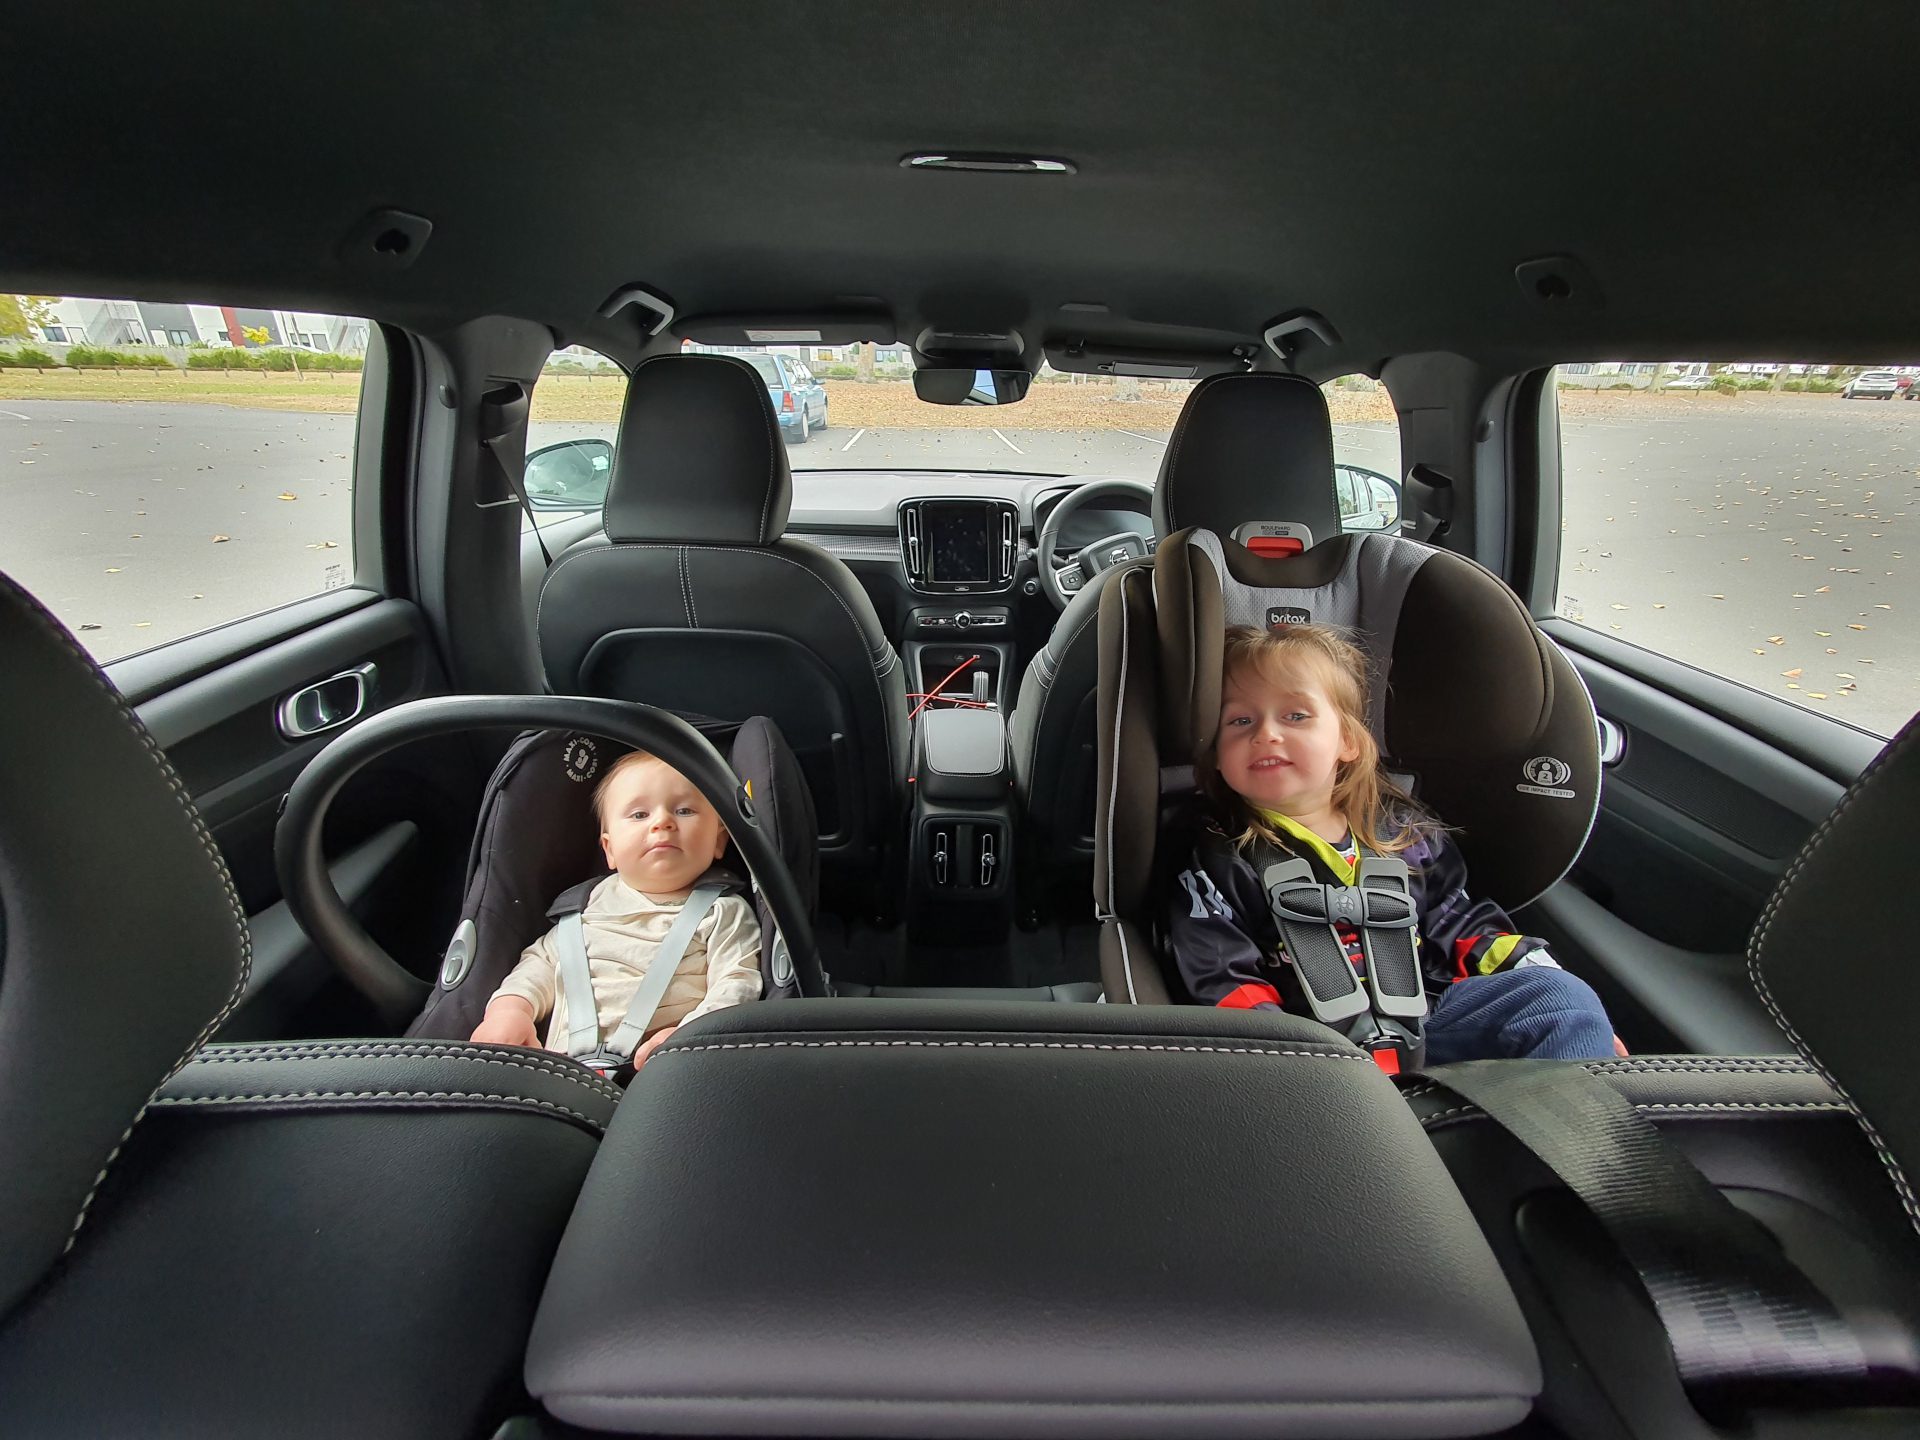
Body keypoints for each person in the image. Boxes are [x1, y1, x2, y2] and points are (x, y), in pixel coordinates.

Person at [1165, 622, 1619, 1063]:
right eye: (1240, 720)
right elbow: (1219, 974)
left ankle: (1573, 1117)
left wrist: (1569, 1002)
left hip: (1427, 1023)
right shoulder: (1216, 858)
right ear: (1217, 758)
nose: (1266, 733)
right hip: (1308, 1048)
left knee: (1562, 997)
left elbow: (1463, 927)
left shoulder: (1407, 836)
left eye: (1295, 715)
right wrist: (1283, 1056)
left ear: (1348, 742)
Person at [471, 749, 762, 1066]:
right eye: (639, 815)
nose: (662, 822)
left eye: (684, 810)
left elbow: (737, 984)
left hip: (671, 1067)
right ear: (609, 850)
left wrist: (691, 1034)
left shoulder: (724, 912)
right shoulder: (584, 909)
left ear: (719, 839)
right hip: (561, 1070)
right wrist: (512, 1009)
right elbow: (539, 964)